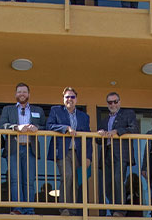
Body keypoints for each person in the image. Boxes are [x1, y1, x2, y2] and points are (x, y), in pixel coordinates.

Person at [0, 82, 46, 215]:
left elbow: (44, 126)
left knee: (29, 181)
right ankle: (18, 208)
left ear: (29, 94)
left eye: (24, 92)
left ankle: (29, 209)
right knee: (15, 179)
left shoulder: (38, 110)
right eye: (19, 92)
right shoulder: (8, 109)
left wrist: (37, 128)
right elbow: (2, 125)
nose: (22, 94)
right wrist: (15, 127)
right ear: (15, 94)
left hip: (30, 148)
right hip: (14, 148)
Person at [46, 87, 92, 216]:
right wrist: (66, 128)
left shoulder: (84, 116)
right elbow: (49, 125)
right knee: (67, 175)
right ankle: (64, 208)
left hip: (78, 152)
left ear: (76, 99)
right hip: (63, 151)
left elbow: (88, 137)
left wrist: (88, 157)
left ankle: (73, 209)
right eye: (67, 97)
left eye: (72, 97)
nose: (69, 99)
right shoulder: (56, 111)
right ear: (63, 99)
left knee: (76, 180)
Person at [97, 92, 139, 217]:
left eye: (115, 101)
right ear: (107, 104)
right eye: (110, 102)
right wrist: (99, 134)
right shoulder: (104, 120)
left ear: (119, 102)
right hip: (106, 153)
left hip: (121, 152)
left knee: (118, 178)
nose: (113, 104)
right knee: (107, 183)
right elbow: (97, 141)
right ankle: (113, 209)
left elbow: (134, 129)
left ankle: (120, 210)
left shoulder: (128, 114)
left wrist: (117, 131)